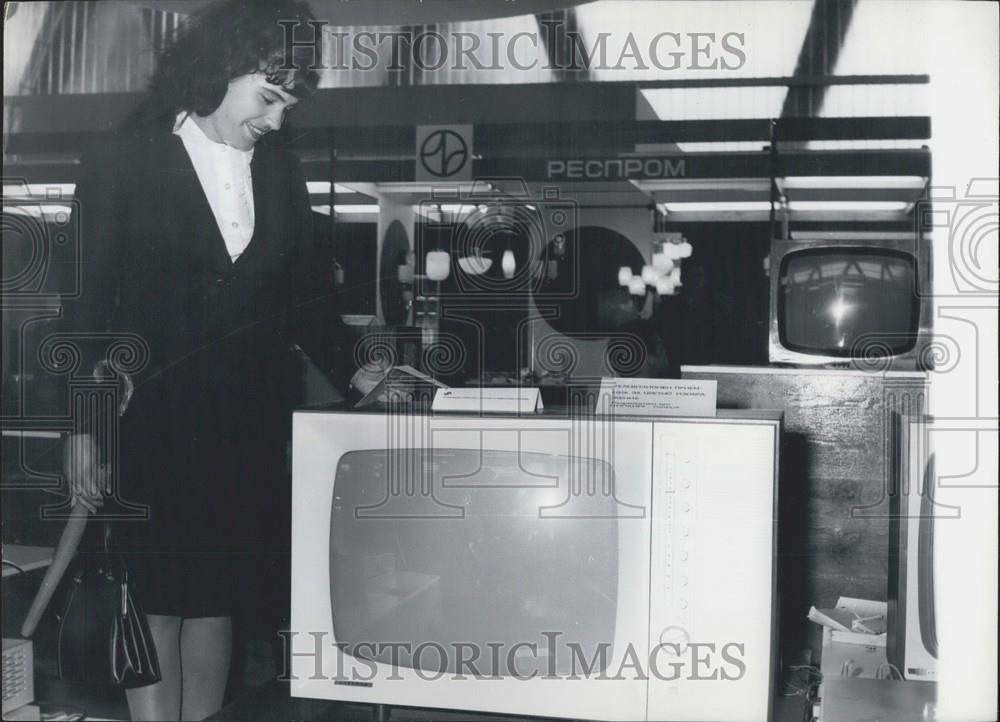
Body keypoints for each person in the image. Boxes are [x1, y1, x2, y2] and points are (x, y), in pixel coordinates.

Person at [61, 2, 350, 719]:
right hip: (151, 423)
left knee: (218, 604)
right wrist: (81, 426)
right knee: (156, 602)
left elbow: (308, 303)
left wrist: (368, 368)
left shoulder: (282, 171)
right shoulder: (121, 160)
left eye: (290, 103)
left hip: (245, 429)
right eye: (270, 97)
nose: (278, 121)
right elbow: (86, 310)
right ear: (223, 67)